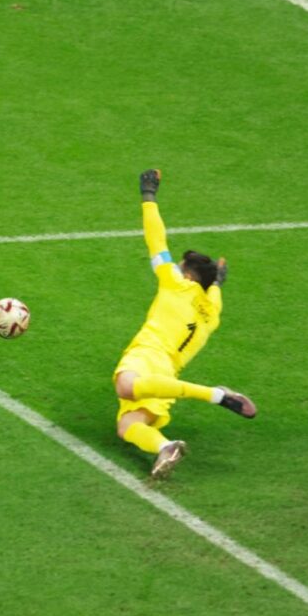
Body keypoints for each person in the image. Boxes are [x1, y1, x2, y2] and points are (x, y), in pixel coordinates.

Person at [113, 170, 256, 478]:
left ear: (188, 276)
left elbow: (156, 240)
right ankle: (166, 446)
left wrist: (148, 196)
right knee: (127, 426)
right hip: (167, 375)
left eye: (180, 268)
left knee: (125, 386)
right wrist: (217, 282)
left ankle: (214, 394)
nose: (175, 268)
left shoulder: (177, 284)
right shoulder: (212, 312)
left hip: (148, 355)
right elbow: (214, 289)